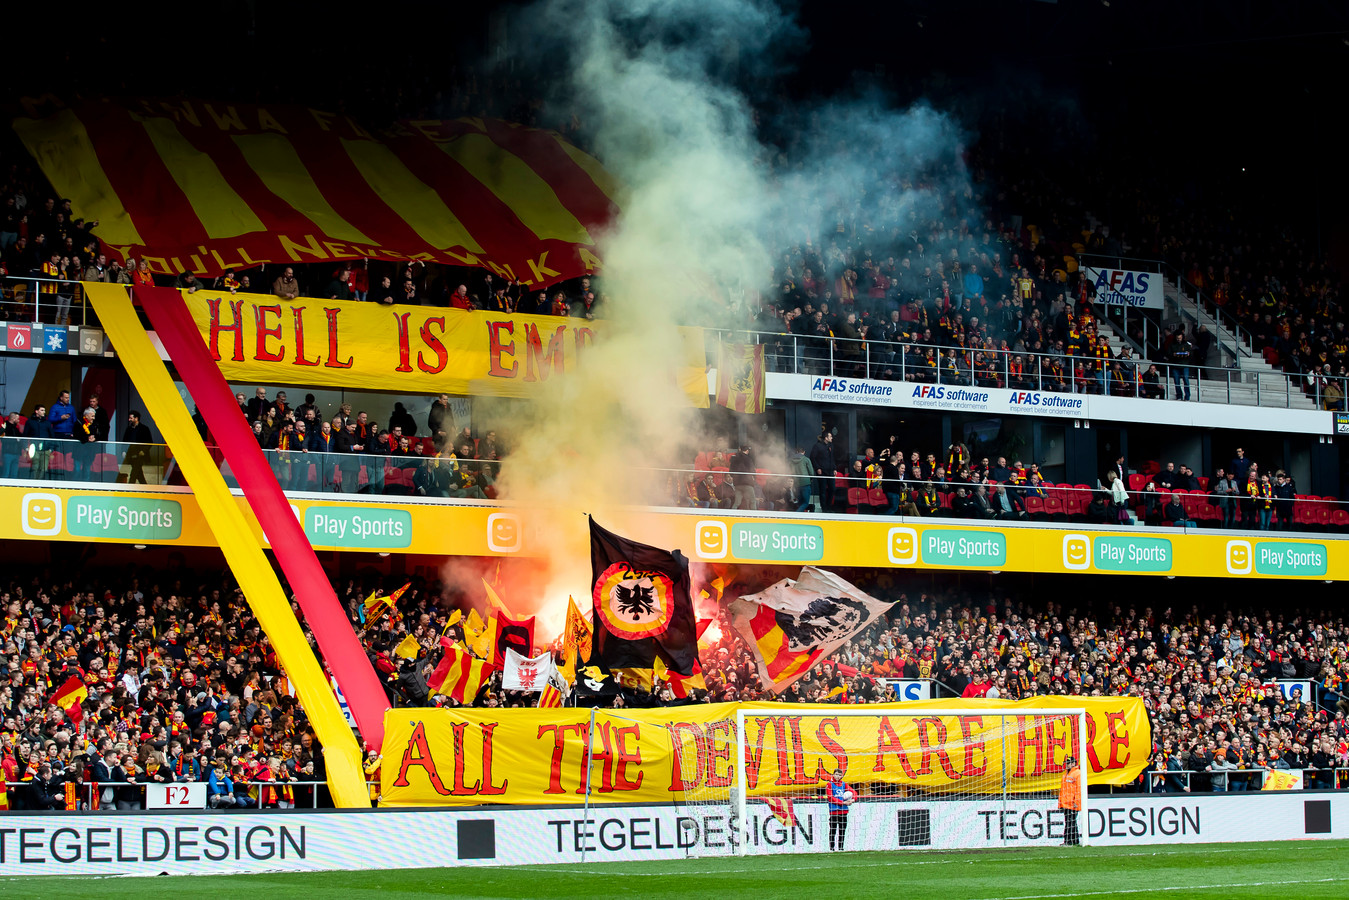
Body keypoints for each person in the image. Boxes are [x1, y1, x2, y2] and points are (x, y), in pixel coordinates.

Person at [824, 766, 854, 851]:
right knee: (833, 830)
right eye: (836, 774)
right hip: (834, 811)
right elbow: (830, 798)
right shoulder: (829, 784)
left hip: (843, 811)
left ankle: (841, 848)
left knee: (842, 830)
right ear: (833, 775)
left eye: (839, 775)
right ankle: (831, 848)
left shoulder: (844, 784)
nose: (837, 776)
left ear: (841, 776)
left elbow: (853, 792)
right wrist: (842, 802)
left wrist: (852, 800)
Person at [22, 404, 53, 480]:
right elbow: (24, 435)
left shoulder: (47, 423)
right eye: (42, 410)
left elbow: (52, 436)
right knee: (35, 467)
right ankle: (34, 483)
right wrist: (26, 447)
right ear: (36, 411)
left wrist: (51, 448)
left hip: (45, 449)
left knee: (44, 468)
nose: (44, 412)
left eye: (44, 410)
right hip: (34, 448)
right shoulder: (30, 422)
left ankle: (39, 483)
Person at [122, 410, 153, 484]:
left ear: (136, 418)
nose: (129, 420)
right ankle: (145, 487)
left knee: (134, 473)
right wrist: (124, 451)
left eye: (131, 418)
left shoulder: (144, 429)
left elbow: (149, 442)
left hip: (140, 455)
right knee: (139, 474)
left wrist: (144, 451)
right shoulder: (128, 429)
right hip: (131, 454)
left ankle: (130, 487)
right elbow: (124, 441)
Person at [1059, 755, 1082, 846]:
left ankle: (1068, 841)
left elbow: (1079, 789)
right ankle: (1075, 841)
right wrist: (1060, 803)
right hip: (1065, 803)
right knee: (1070, 822)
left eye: (1068, 763)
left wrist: (1077, 801)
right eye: (1066, 763)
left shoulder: (1077, 773)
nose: (1067, 765)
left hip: (1072, 803)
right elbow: (1062, 790)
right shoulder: (1065, 774)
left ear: (1073, 764)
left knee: (1070, 822)